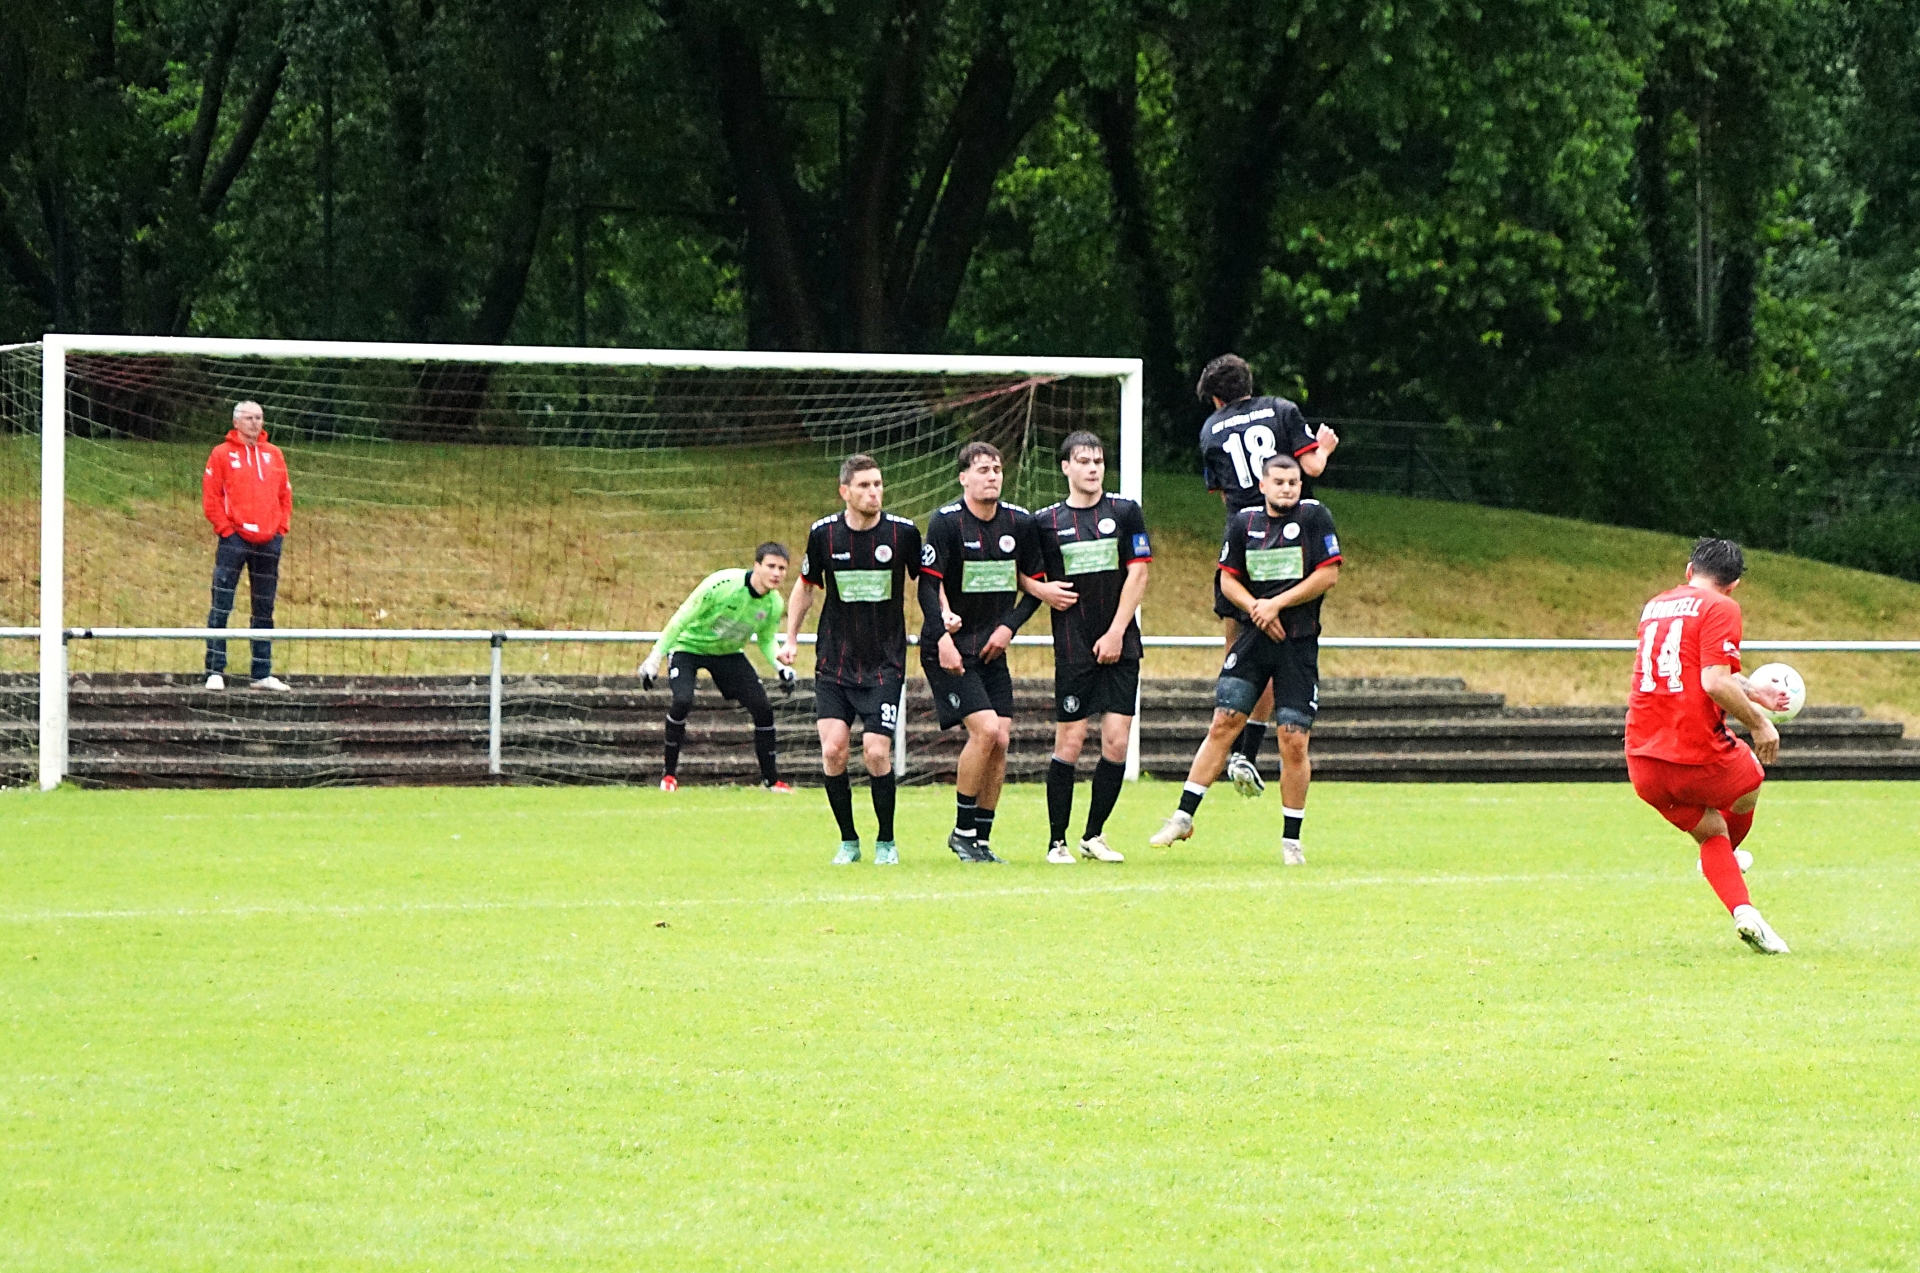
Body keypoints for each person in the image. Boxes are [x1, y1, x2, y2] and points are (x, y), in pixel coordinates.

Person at [1151, 452, 1340, 864]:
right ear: (1262, 485)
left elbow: (1327, 575)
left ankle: (1291, 842)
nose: (1287, 489)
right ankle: (1183, 817)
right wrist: (1256, 608)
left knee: (1293, 739)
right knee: (1224, 722)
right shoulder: (1243, 523)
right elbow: (1228, 579)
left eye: (1293, 482)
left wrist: (1276, 605)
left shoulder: (1314, 517)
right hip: (1253, 640)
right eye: (1279, 482)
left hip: (1297, 644)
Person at [1626, 538, 1793, 954]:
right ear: (1733, 585)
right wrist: (1761, 725)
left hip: (1642, 759)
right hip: (1694, 750)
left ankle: (1745, 912)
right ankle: (1724, 858)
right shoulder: (1722, 607)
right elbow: (1714, 681)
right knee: (1751, 779)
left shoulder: (1655, 606)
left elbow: (1698, 669)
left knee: (1710, 831)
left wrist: (1755, 692)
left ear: (1689, 571)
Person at [1195, 354, 1338, 798]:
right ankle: (1248, 753)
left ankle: (1233, 749)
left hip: (1244, 542)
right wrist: (1325, 447)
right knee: (1279, 646)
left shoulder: (1210, 428)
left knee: (1240, 651)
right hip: (1287, 545)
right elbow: (1311, 469)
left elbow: (1224, 495)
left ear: (1216, 398)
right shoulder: (1281, 409)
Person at [1011, 431, 1150, 864]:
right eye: (1084, 462)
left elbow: (1139, 573)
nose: (1093, 469)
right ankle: (1057, 842)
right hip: (1073, 646)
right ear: (1066, 467)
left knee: (1117, 743)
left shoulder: (1124, 512)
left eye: (1099, 461)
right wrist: (1042, 590)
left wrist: (1116, 632)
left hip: (1121, 644)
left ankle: (1094, 835)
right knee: (1070, 742)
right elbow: (1017, 571)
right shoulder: (1044, 522)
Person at [780, 455, 922, 865]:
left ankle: (886, 842)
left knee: (876, 752)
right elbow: (806, 586)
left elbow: (930, 581)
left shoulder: (903, 533)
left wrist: (943, 619)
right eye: (864, 486)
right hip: (834, 663)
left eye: (878, 484)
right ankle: (848, 841)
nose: (873, 492)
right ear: (845, 491)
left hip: (885, 663)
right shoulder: (824, 534)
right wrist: (791, 638)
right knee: (833, 751)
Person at [918, 441, 1050, 863]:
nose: (992, 476)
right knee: (987, 731)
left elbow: (1035, 587)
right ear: (963, 478)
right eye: (982, 470)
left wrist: (1008, 628)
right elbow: (927, 586)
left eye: (996, 469)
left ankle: (981, 839)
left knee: (1002, 740)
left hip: (992, 650)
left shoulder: (1019, 522)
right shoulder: (946, 522)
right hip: (949, 649)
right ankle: (961, 832)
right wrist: (941, 636)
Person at [640, 543, 797, 792]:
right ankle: (668, 776)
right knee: (682, 701)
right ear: (756, 566)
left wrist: (781, 667)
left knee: (763, 709)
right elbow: (681, 618)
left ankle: (771, 781)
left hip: (728, 654)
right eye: (771, 566)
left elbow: (766, 639)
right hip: (688, 647)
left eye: (782, 568)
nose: (776, 573)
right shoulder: (722, 585)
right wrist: (654, 657)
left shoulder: (774, 603)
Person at [201, 400, 293, 691]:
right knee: (222, 603)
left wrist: (280, 529)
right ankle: (214, 670)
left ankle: (262, 673)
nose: (255, 423)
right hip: (235, 539)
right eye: (250, 418)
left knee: (264, 607)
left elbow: (285, 495)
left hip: (269, 540)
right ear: (236, 422)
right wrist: (226, 529)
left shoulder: (274, 454)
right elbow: (211, 496)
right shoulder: (221, 454)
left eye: (259, 417)